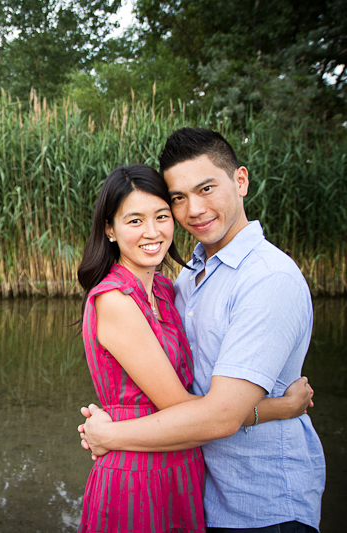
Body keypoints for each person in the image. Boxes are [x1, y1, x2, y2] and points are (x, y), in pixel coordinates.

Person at [79, 129, 326, 532]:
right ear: (110, 228)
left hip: (262, 503)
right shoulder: (187, 278)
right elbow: (183, 398)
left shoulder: (266, 278)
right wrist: (282, 406)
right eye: (178, 198)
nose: (193, 209)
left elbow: (219, 415)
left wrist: (112, 434)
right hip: (191, 486)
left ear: (240, 181)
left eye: (207, 188)